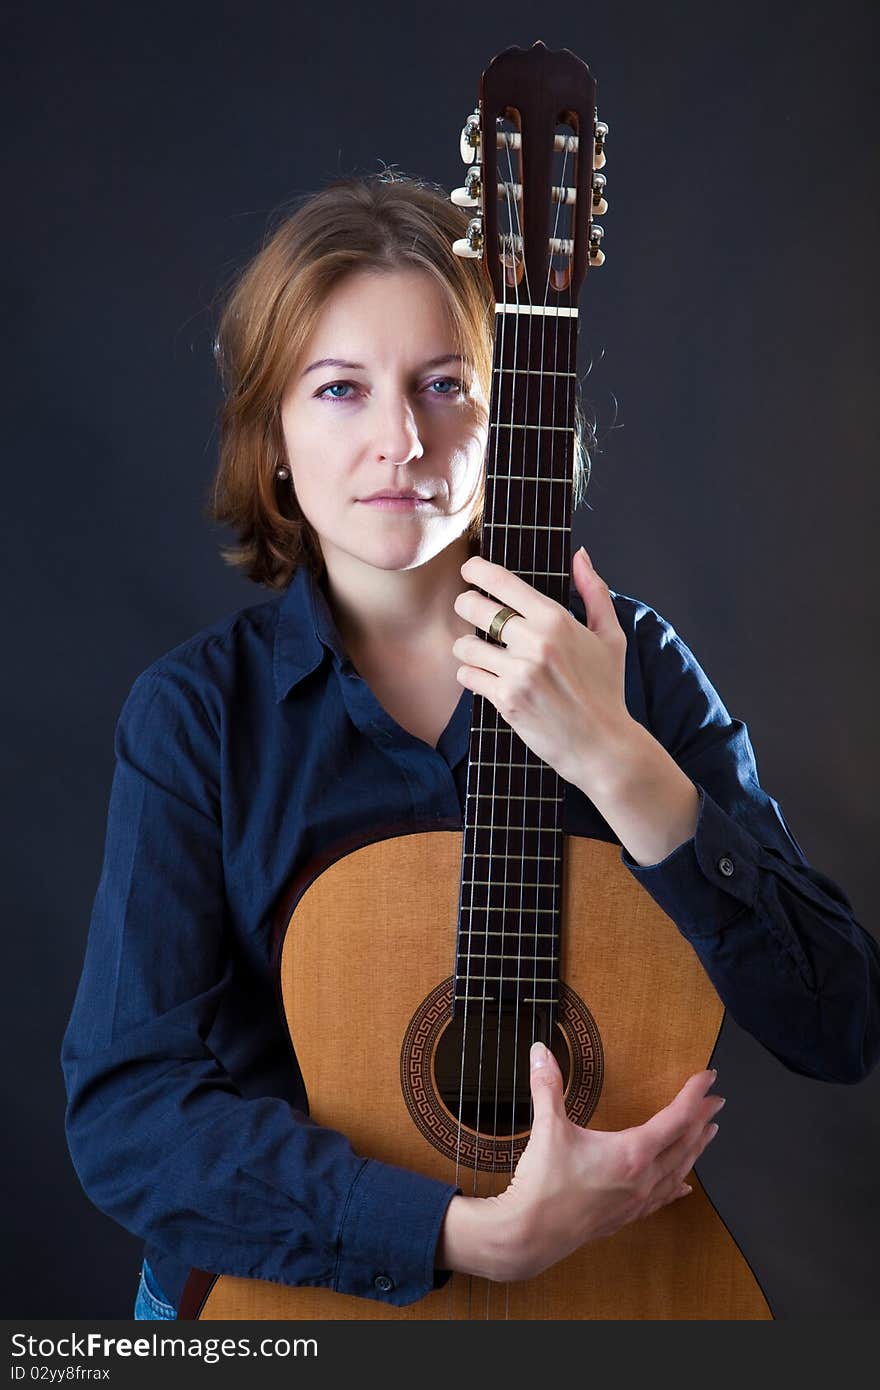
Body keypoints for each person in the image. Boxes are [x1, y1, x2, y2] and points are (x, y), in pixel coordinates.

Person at [61, 172, 880, 1320]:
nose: (401, 439)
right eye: (340, 389)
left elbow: (838, 1025)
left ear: (516, 420)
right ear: (274, 439)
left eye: (446, 385)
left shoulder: (628, 660)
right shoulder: (197, 714)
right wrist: (463, 1234)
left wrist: (621, 762)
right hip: (282, 1295)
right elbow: (127, 1114)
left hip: (620, 1289)